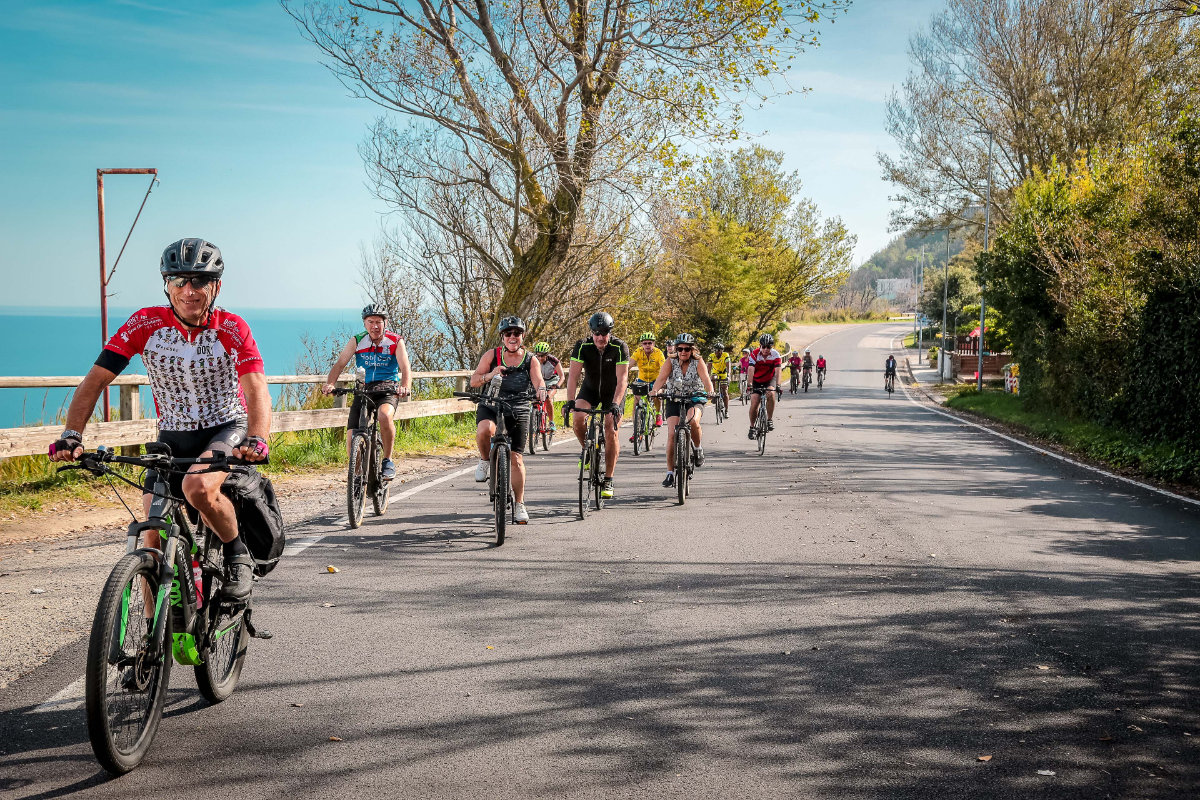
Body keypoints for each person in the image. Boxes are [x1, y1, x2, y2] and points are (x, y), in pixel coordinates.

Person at [48, 238, 269, 600]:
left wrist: (257, 437)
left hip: (225, 427)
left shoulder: (231, 327)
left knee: (197, 489)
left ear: (216, 286)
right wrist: (72, 434)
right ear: (166, 285)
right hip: (172, 435)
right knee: (151, 533)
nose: (188, 290)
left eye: (199, 281)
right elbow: (96, 380)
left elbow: (255, 387)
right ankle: (151, 645)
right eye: (178, 281)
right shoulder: (146, 323)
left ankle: (236, 555)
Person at [468, 316, 547, 524]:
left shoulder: (531, 359)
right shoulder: (491, 355)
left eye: (517, 333)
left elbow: (538, 380)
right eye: (508, 334)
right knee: (485, 430)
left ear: (522, 336)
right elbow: (474, 380)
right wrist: (491, 374)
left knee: (516, 458)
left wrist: (541, 390)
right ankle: (485, 460)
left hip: (519, 407)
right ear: (502, 337)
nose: (513, 337)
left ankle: (519, 503)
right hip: (491, 404)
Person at [322, 304, 412, 481]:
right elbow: (340, 364)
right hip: (364, 389)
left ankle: (387, 460)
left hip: (388, 388)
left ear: (385, 323)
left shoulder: (395, 341)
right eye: (370, 322)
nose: (375, 326)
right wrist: (330, 383)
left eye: (379, 322)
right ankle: (356, 477)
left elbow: (405, 367)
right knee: (351, 435)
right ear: (364, 323)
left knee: (384, 416)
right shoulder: (357, 340)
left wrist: (405, 386)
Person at [564, 311, 630, 499]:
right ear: (591, 332)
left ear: (610, 332)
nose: (600, 337)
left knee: (611, 427)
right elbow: (574, 377)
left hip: (613, 392)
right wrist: (570, 401)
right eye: (596, 333)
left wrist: (616, 404)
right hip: (590, 390)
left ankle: (608, 478)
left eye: (604, 333)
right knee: (578, 417)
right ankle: (588, 449)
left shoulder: (619, 347)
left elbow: (623, 379)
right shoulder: (582, 346)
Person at [652, 333, 715, 487]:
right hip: (674, 398)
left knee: (693, 421)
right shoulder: (670, 361)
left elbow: (706, 379)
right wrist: (654, 391)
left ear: (692, 349)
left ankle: (698, 449)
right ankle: (670, 473)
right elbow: (661, 378)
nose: (683, 352)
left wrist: (711, 391)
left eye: (687, 349)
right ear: (676, 349)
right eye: (680, 349)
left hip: (695, 398)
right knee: (672, 435)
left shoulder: (698, 361)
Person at [629, 332, 665, 437]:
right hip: (642, 380)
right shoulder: (638, 352)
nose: (647, 345)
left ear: (654, 343)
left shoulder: (659, 353)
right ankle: (636, 431)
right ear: (642, 344)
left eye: (650, 343)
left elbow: (664, 369)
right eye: (645, 343)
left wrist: (663, 383)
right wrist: (622, 378)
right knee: (636, 401)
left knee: (656, 394)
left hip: (656, 380)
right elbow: (629, 365)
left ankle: (658, 414)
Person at [746, 333, 782, 438]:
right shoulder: (754, 354)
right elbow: (751, 369)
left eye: (769, 347)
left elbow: (778, 371)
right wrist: (750, 384)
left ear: (772, 347)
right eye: (763, 347)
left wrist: (778, 385)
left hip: (769, 379)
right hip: (756, 379)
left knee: (771, 393)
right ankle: (752, 427)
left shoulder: (776, 355)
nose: (766, 349)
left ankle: (769, 419)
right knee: (755, 400)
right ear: (760, 345)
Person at [532, 341, 561, 433]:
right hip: (540, 381)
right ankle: (533, 419)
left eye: (542, 356)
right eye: (538, 355)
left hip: (552, 381)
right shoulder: (533, 360)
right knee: (533, 397)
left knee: (547, 398)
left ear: (547, 354)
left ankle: (551, 422)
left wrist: (557, 385)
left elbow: (562, 376)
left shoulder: (553, 361)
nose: (540, 358)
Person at [707, 343, 732, 411]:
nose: (716, 351)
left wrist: (728, 375)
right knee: (712, 379)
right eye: (715, 350)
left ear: (721, 351)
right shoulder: (711, 356)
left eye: (718, 350)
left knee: (725, 391)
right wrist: (707, 376)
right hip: (715, 373)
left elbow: (728, 366)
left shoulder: (725, 355)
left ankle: (726, 409)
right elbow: (709, 367)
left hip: (723, 373)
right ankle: (714, 394)